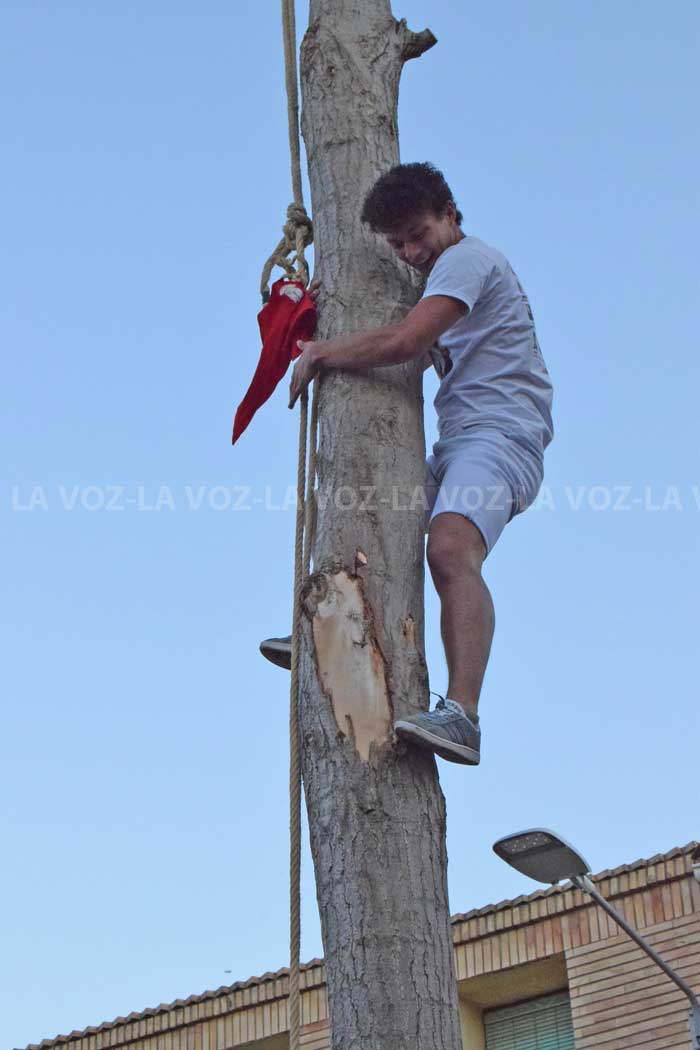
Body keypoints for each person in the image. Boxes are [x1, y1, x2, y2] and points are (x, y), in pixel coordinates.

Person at [260, 162, 553, 766]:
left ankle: (463, 716)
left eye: (419, 234)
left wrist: (322, 352)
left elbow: (404, 344)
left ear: (450, 213)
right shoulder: (442, 281)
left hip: (502, 437)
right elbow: (407, 354)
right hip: (459, 442)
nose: (412, 253)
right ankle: (328, 628)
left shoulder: (468, 260)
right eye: (398, 245)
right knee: (366, 509)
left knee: (449, 549)